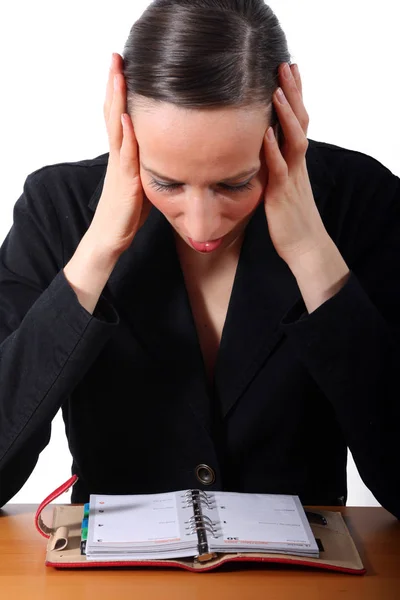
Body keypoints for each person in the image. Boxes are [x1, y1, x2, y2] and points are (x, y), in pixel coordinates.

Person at [0, 0, 399, 519]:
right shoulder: (59, 208)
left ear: (284, 121)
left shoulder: (359, 202)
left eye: (235, 183)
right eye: (166, 182)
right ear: (124, 128)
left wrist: (312, 253)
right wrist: (96, 250)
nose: (202, 224)